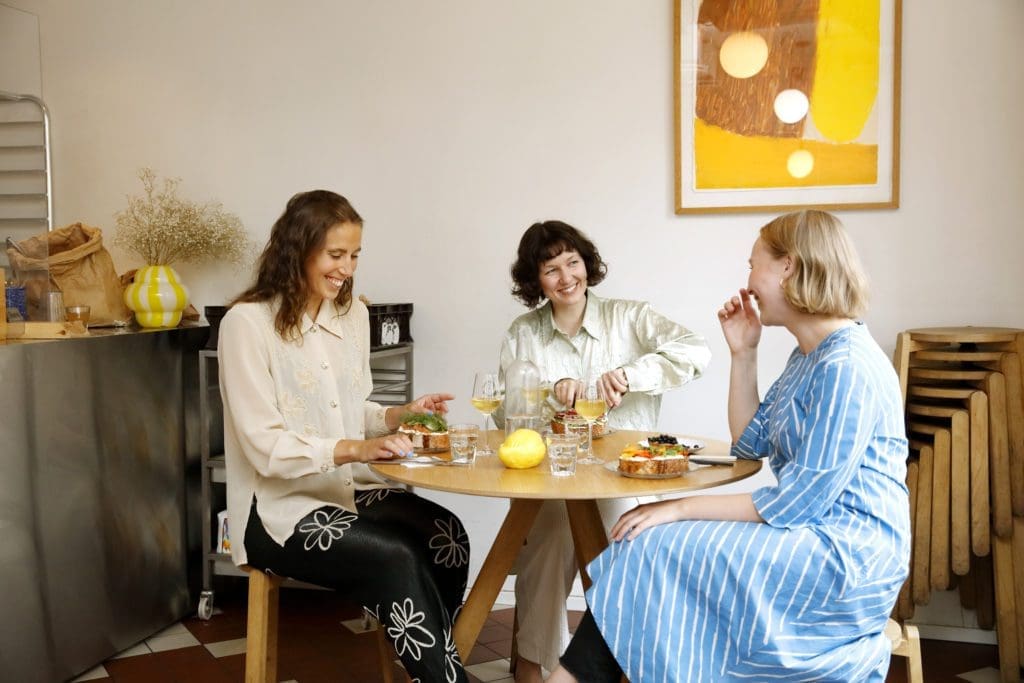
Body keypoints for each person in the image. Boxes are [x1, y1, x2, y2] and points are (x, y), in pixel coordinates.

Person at [546, 210, 911, 682]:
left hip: (846, 556)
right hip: (810, 533)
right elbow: (748, 443)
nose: (749, 280)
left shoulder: (847, 365)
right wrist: (744, 352)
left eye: (753, 264)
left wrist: (680, 507)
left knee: (654, 548)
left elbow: (797, 502)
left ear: (789, 268)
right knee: (649, 548)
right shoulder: (811, 355)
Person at [218, 190, 470, 683]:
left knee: (447, 536)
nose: (347, 269)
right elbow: (263, 444)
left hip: (344, 489)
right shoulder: (246, 325)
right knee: (395, 555)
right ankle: (441, 675)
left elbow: (347, 409)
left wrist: (397, 416)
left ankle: (432, 666)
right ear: (298, 250)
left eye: (354, 255)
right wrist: (356, 449)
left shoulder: (352, 316)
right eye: (336, 255)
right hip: (276, 511)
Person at [497, 219, 711, 682]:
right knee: (550, 532)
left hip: (625, 474)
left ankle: (626, 663)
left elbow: (697, 351)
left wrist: (632, 376)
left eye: (572, 262)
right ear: (535, 280)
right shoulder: (524, 333)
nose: (565, 276)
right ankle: (535, 665)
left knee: (629, 537)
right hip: (553, 476)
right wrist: (548, 388)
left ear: (586, 264)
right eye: (550, 269)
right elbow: (501, 410)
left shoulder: (630, 317)